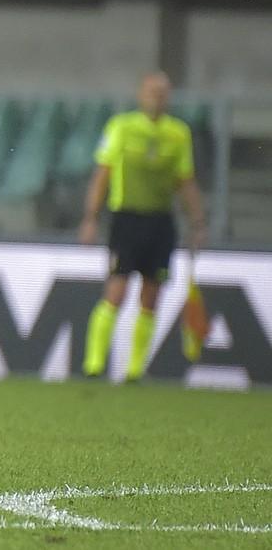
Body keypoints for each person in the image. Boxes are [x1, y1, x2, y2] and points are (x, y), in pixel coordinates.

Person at [78, 71, 206, 383]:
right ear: (140, 94)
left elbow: (185, 180)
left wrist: (197, 222)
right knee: (116, 292)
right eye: (152, 91)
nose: (157, 97)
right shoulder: (121, 127)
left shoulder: (178, 133)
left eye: (163, 92)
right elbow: (103, 173)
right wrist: (90, 217)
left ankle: (135, 370)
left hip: (161, 222)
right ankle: (93, 364)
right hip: (127, 219)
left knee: (151, 297)